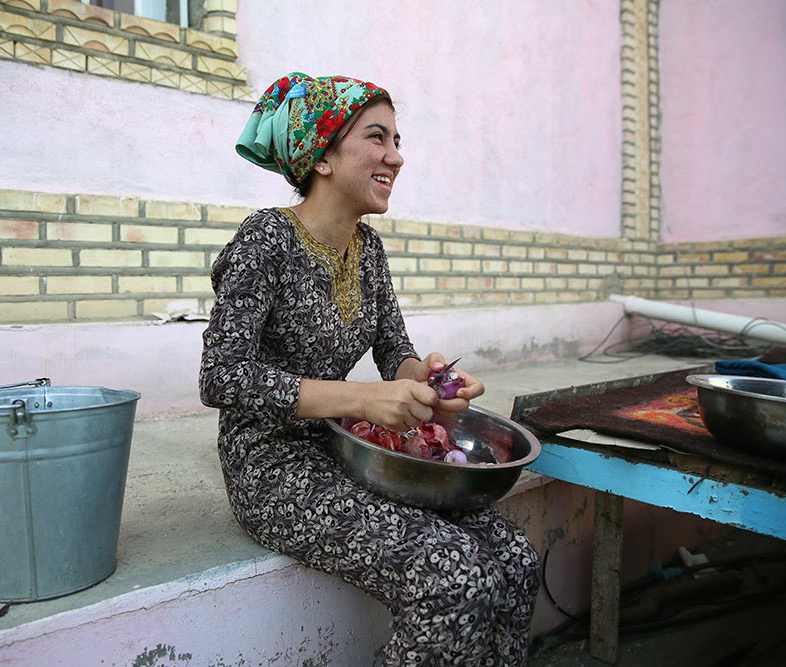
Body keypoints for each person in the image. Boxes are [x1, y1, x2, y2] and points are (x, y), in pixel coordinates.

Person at [199, 72, 539, 666]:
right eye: (377, 138)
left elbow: (395, 355)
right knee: (451, 574)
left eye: (398, 140)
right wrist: (360, 400)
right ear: (324, 155)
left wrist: (434, 381)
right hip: (272, 466)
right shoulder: (266, 240)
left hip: (350, 449)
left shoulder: (368, 247)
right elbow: (221, 376)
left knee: (511, 554)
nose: (396, 156)